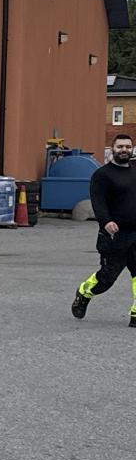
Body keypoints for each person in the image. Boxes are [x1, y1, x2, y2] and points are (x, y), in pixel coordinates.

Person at [72, 132, 136, 325]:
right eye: (120, 147)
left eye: (127, 146)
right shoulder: (102, 175)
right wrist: (106, 221)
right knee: (107, 278)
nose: (124, 150)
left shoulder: (135, 172)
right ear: (112, 150)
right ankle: (84, 292)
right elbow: (98, 201)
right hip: (114, 235)